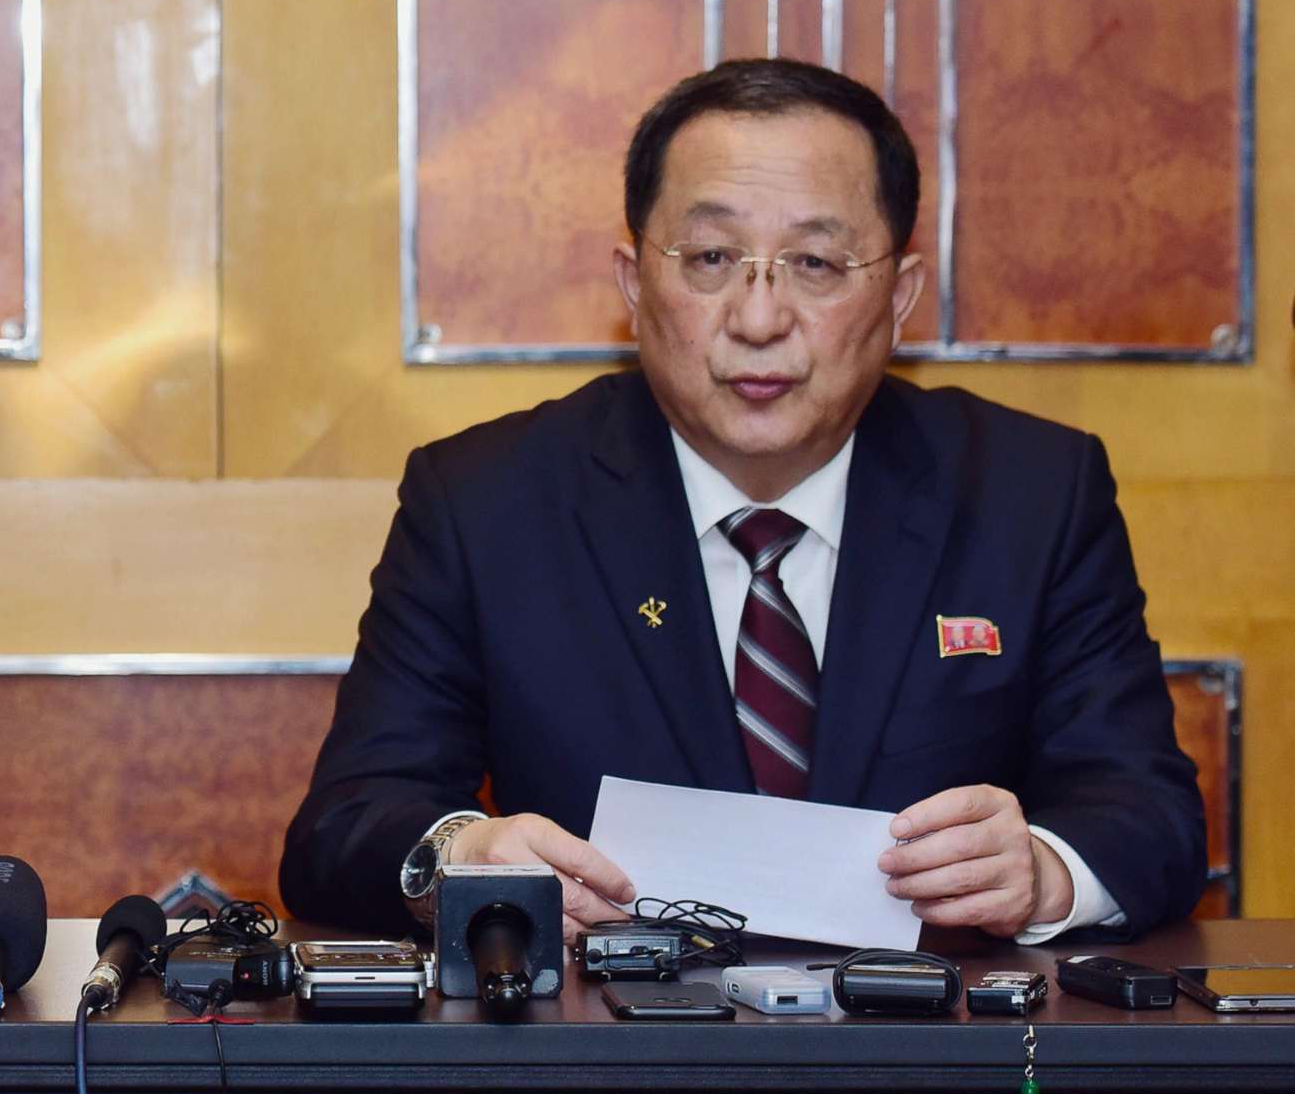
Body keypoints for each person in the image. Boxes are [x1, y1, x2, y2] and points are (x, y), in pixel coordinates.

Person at [280, 58, 1205, 944]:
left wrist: (1043, 872)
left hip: (928, 1076)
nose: (758, 321)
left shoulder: (1030, 496)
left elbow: (1148, 813)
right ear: (635, 285)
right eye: (712, 256)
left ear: (901, 296)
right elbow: (345, 825)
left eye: (815, 264)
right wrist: (460, 853)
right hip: (601, 1070)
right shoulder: (486, 501)